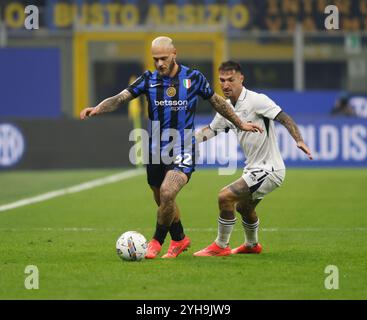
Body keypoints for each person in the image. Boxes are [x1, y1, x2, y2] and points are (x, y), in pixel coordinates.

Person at [80, 38, 263, 259]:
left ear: (174, 54)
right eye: (155, 59)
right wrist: (98, 108)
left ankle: (156, 242)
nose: (159, 63)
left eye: (163, 58)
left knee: (168, 192)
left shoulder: (193, 78)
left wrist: (240, 123)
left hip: (184, 148)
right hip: (156, 150)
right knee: (162, 200)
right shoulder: (148, 79)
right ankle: (179, 239)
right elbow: (121, 97)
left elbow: (218, 102)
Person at [193, 61, 313, 257]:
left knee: (225, 197)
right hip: (253, 168)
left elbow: (284, 118)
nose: (225, 85)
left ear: (241, 78)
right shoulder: (225, 107)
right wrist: (187, 141)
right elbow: (211, 131)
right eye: (222, 80)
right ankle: (252, 245)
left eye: (231, 80)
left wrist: (299, 140)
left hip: (269, 169)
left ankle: (221, 246)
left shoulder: (257, 100)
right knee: (244, 207)